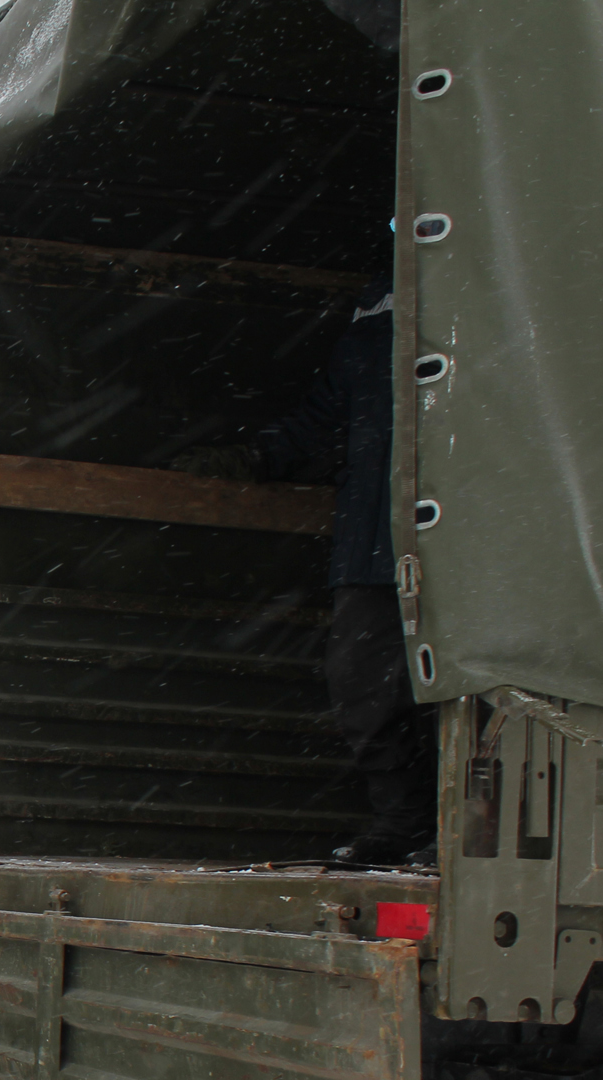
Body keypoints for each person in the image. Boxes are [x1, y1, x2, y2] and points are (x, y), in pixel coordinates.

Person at [174, 278, 433, 865]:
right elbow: (331, 415)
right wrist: (258, 457)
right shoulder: (381, 307)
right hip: (377, 545)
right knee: (362, 683)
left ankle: (466, 832)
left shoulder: (510, 282)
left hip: (477, 547)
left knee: (467, 690)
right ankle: (407, 824)